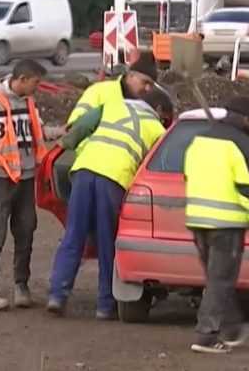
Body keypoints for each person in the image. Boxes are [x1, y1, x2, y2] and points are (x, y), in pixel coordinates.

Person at [46, 55, 165, 320]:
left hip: (84, 171)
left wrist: (61, 148)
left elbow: (80, 128)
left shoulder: (113, 107)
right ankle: (105, 305)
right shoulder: (156, 128)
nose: (146, 88)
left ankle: (57, 295)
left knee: (73, 235)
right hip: (113, 179)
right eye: (145, 82)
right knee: (106, 242)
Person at [184, 96, 249, 354]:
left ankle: (232, 328)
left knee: (216, 279)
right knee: (220, 280)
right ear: (246, 119)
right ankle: (206, 337)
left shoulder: (199, 140)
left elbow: (187, 174)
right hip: (226, 224)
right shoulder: (244, 145)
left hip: (197, 219)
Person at [0, 59, 64, 311]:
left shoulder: (28, 102)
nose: (38, 87)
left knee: (26, 231)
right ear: (22, 79)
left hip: (25, 178)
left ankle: (21, 287)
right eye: (36, 82)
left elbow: (38, 130)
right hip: (1, 179)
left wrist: (60, 131)